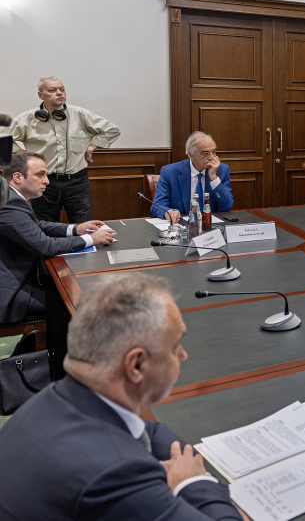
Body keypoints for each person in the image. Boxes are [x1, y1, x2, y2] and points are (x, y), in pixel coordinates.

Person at [0, 273, 248, 521]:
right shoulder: (116, 473)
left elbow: (148, 430)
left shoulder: (54, 400)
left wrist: (181, 457)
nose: (183, 355)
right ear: (136, 365)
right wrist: (193, 481)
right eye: (175, 347)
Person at [0, 152, 115, 375]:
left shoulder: (11, 196)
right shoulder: (8, 203)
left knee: (60, 289)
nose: (47, 181)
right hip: (7, 290)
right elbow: (45, 246)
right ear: (18, 177)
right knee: (66, 303)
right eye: (40, 175)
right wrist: (91, 239)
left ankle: (48, 359)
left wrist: (76, 228)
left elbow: (36, 225)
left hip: (18, 276)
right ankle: (59, 370)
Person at [2, 77, 120, 223]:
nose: (59, 93)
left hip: (77, 182)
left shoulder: (79, 114)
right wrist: (21, 154)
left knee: (84, 225)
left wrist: (92, 146)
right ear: (40, 95)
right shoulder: (28, 118)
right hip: (44, 182)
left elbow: (112, 130)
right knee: (46, 226)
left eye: (62, 89)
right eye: (52, 90)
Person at [151, 131, 233, 222]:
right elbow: (157, 206)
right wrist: (169, 212)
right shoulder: (170, 172)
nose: (211, 157)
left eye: (213, 152)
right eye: (205, 153)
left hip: (211, 225)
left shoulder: (222, 170)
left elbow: (227, 206)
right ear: (191, 155)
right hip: (182, 224)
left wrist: (214, 178)